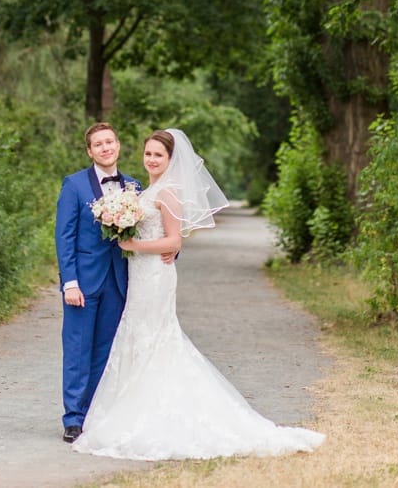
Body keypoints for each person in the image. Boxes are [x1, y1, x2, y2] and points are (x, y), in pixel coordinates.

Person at [71, 129, 325, 461]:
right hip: (141, 276)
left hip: (156, 276)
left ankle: (153, 414)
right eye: (148, 153)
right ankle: (133, 405)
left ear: (171, 160)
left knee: (155, 337)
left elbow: (174, 242)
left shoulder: (170, 192)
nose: (151, 159)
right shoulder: (146, 190)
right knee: (138, 335)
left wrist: (134, 245)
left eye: (158, 155)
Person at [56, 122, 140, 442]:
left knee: (105, 351)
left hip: (118, 281)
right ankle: (73, 418)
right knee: (78, 349)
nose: (105, 148)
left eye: (110, 142)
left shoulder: (133, 187)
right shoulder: (74, 185)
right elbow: (64, 237)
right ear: (90, 151)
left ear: (118, 145)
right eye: (98, 144)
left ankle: (95, 413)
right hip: (83, 282)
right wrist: (70, 282)